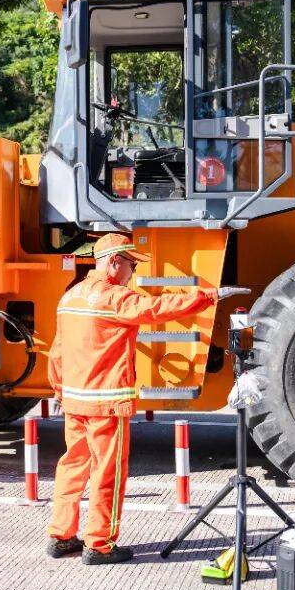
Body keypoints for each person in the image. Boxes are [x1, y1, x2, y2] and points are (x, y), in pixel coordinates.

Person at [46, 233, 235, 565]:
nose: (132, 273)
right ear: (114, 262)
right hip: (106, 403)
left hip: (75, 403)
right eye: (131, 265)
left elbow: (57, 353)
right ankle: (99, 544)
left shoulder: (70, 297)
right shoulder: (115, 299)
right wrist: (208, 296)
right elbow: (157, 308)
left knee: (73, 466)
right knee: (108, 473)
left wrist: (60, 391)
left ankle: (61, 536)